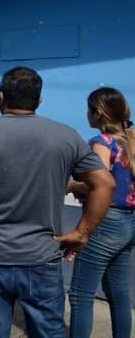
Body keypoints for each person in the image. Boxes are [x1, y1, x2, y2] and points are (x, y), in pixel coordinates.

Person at [0, 66, 115, 338]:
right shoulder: (65, 137)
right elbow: (105, 184)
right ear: (39, 100)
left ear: (1, 97)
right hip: (42, 257)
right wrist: (82, 233)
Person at [68, 87, 135, 338]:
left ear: (97, 113)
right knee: (119, 294)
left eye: (88, 109)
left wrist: (73, 185)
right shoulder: (131, 140)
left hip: (105, 223)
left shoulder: (101, 143)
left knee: (80, 294)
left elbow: (101, 184)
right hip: (129, 223)